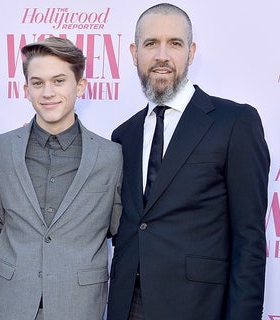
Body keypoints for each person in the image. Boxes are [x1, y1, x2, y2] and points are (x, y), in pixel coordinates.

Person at [107, 3, 270, 320]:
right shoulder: (123, 135)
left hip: (198, 307)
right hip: (127, 306)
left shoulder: (234, 122)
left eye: (175, 43)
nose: (162, 56)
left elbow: (249, 240)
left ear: (191, 52)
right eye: (151, 43)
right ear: (134, 52)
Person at [0, 37, 123, 320]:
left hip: (80, 302)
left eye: (59, 81)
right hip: (14, 301)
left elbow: (116, 227)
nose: (48, 92)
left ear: (80, 86)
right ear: (26, 89)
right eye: (37, 83)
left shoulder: (111, 156)